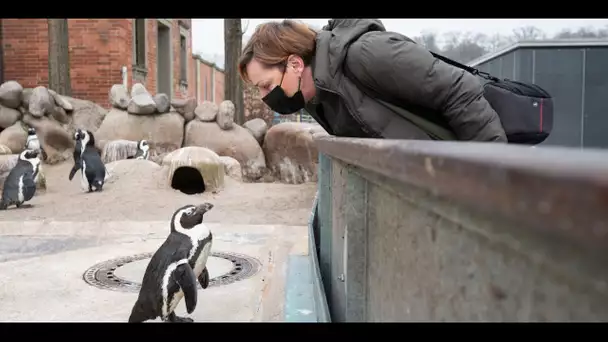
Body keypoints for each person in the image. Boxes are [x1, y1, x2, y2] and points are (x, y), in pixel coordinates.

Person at [238, 19, 507, 142]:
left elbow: (459, 91)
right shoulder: (319, 97)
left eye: (266, 85)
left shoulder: (366, 54)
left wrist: (494, 179)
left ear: (295, 64)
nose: (265, 96)